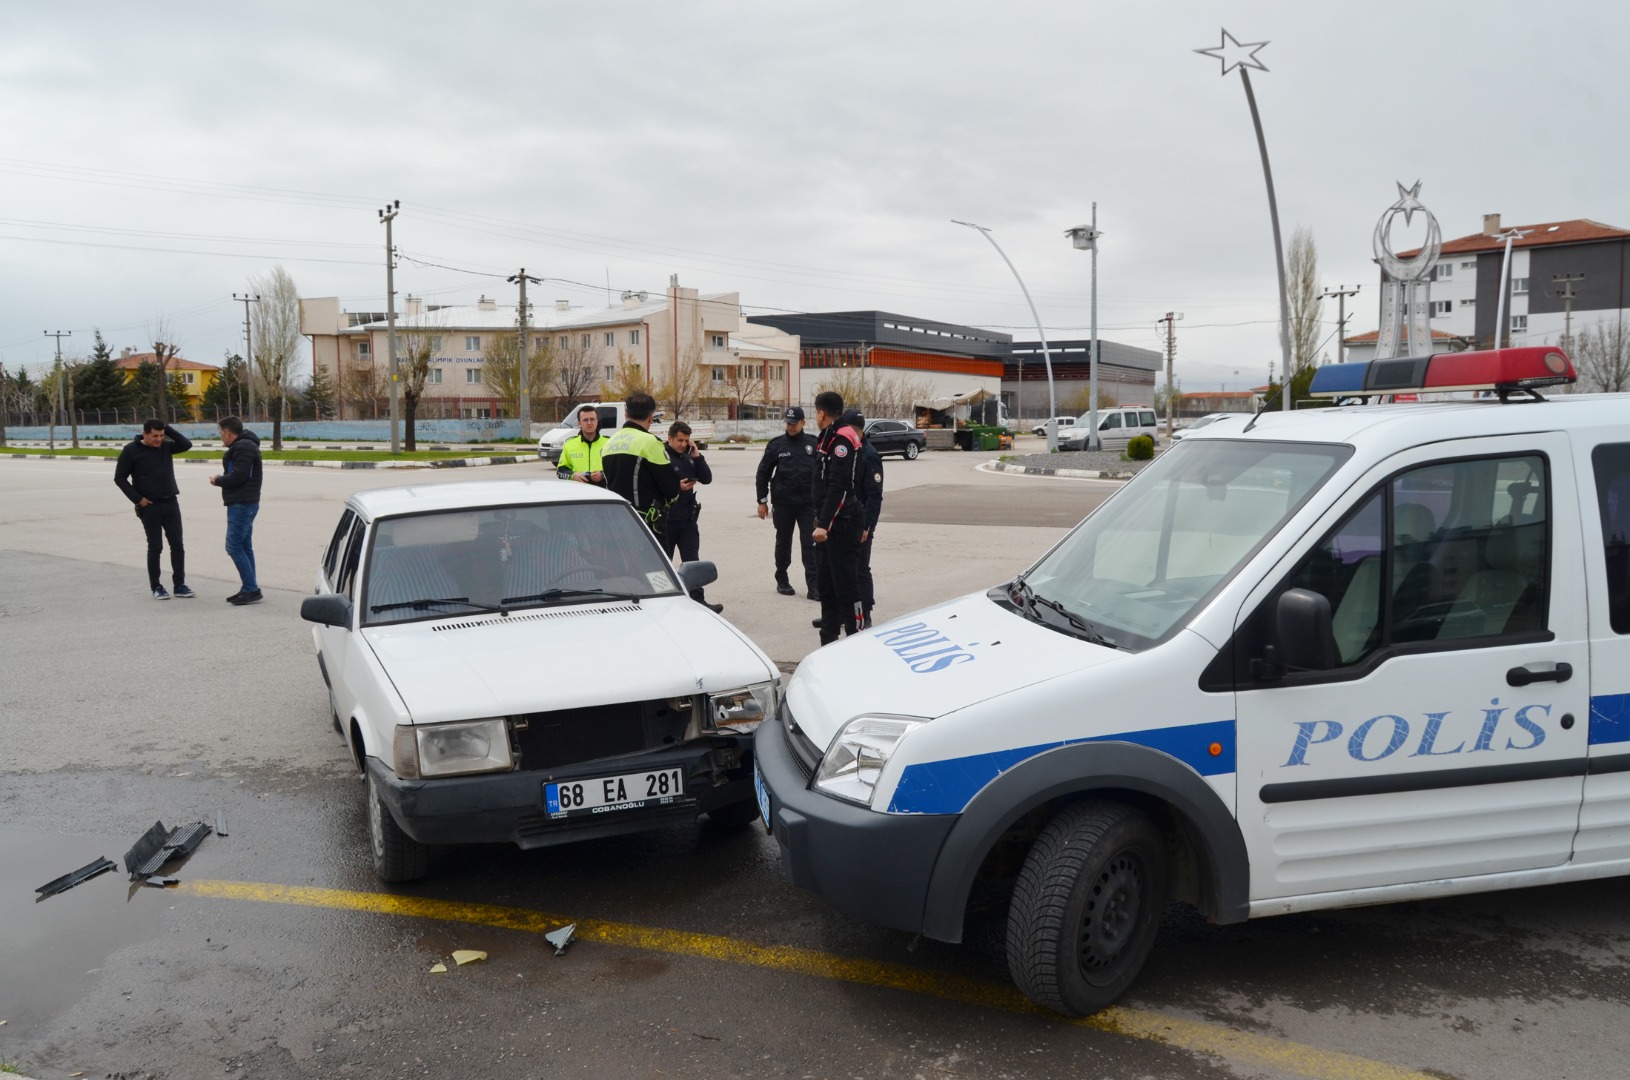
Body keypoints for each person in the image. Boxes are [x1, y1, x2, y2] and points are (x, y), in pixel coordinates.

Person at [813, 407, 883, 633]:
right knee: (836, 573)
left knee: (859, 571)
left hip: (858, 521)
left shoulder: (868, 454)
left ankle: (865, 614)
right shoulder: (847, 447)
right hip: (842, 518)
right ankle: (838, 615)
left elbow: (874, 494)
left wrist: (867, 525)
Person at [113, 418, 195, 600]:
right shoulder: (131, 451)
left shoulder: (166, 447)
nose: (158, 439)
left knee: (177, 545)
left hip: (171, 502)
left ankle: (179, 584)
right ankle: (156, 586)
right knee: (155, 547)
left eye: (161, 435)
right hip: (149, 506)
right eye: (154, 436)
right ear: (145, 434)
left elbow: (186, 444)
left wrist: (167, 428)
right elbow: (119, 478)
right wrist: (138, 499)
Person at [810, 391, 865, 644]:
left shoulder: (841, 439)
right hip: (828, 522)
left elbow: (839, 486)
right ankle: (828, 641)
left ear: (821, 413)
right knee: (826, 586)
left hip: (841, 523)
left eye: (815, 412)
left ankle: (857, 639)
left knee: (846, 587)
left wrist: (824, 524)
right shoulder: (828, 436)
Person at [754, 405, 819, 599]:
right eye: (788, 423)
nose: (791, 427)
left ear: (803, 422)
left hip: (808, 503)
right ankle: (782, 579)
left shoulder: (813, 444)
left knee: (810, 544)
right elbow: (763, 473)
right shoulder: (776, 445)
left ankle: (814, 586)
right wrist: (762, 501)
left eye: (794, 423)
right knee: (783, 542)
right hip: (784, 503)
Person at [661, 420, 722, 613]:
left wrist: (697, 456)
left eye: (686, 440)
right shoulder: (661, 457)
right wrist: (675, 487)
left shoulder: (689, 457)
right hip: (667, 520)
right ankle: (662, 602)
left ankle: (698, 600)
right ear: (669, 438)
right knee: (664, 564)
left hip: (687, 520)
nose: (683, 444)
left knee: (692, 562)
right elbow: (656, 486)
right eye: (679, 440)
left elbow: (707, 479)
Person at [602, 391, 681, 536]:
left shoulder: (609, 442)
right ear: (651, 417)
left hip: (616, 519)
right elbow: (671, 487)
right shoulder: (650, 442)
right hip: (645, 524)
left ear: (626, 414)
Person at [209, 415, 264, 606]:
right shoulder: (244, 445)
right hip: (244, 501)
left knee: (233, 546)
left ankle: (251, 589)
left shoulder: (242, 447)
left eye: (220, 433)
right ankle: (249, 586)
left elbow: (239, 476)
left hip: (242, 503)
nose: (220, 437)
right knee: (244, 545)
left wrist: (218, 480)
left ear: (227, 432)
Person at [556, 403, 608, 486]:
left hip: (603, 492)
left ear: (597, 421)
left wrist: (602, 475)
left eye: (592, 419)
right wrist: (573, 476)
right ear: (579, 423)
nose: (589, 423)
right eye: (585, 420)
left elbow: (617, 470)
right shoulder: (569, 444)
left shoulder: (608, 443)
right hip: (578, 492)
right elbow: (560, 471)